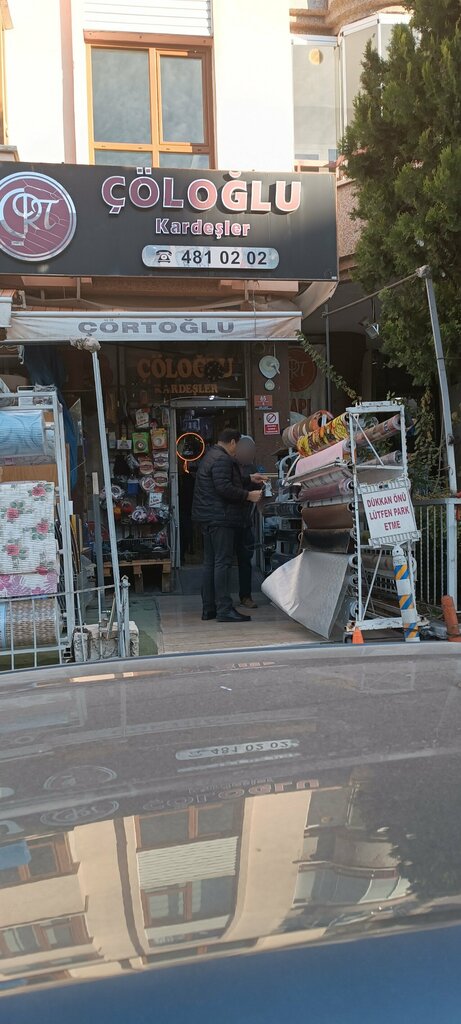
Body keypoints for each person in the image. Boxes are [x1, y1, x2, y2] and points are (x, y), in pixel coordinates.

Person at [191, 428, 264, 622]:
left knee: (210, 563)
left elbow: (222, 480)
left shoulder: (211, 456)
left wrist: (249, 479)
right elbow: (223, 487)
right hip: (220, 518)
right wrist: (248, 495)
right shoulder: (223, 458)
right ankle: (224, 608)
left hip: (208, 517)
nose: (238, 450)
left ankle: (209, 608)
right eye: (238, 446)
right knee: (222, 563)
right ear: (232, 442)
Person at [234, 435, 261, 609]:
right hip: (228, 520)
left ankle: (246, 595)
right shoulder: (228, 465)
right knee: (222, 560)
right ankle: (220, 600)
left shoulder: (252, 466)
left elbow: (257, 492)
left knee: (245, 560)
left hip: (245, 520)